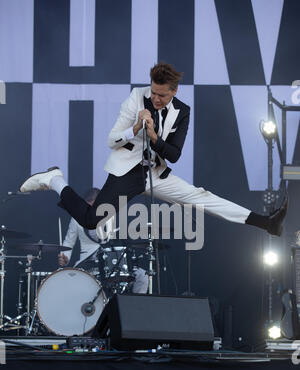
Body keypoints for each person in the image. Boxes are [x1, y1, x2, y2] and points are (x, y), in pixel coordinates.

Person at [19, 62, 288, 241]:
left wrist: (154, 137)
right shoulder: (135, 98)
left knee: (201, 198)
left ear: (174, 91)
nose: (156, 99)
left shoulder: (183, 111)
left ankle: (267, 223)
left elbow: (174, 154)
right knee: (91, 221)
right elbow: (112, 140)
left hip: (156, 173)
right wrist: (134, 129)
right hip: (127, 171)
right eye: (154, 93)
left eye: (162, 95)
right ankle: (54, 179)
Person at [58, 187, 149, 294]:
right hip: (88, 263)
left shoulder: (113, 215)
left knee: (142, 276)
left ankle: (135, 309)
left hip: (112, 262)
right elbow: (69, 241)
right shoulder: (77, 218)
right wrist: (65, 257)